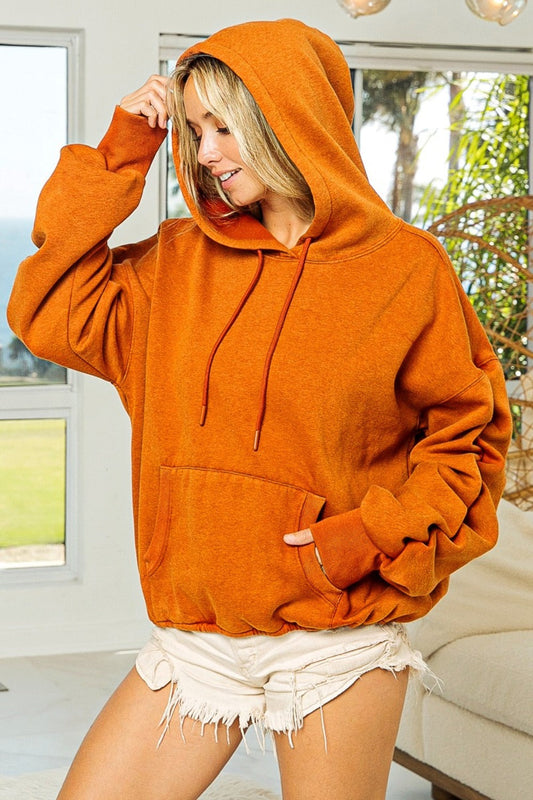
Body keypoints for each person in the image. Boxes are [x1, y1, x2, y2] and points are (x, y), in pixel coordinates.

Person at [8, 18, 511, 800]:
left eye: (224, 128)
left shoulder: (405, 270)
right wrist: (119, 156)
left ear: (291, 120)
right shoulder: (175, 263)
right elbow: (47, 308)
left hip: (334, 640)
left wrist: (360, 541)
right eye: (196, 127)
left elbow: (469, 446)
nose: (205, 153)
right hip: (196, 634)